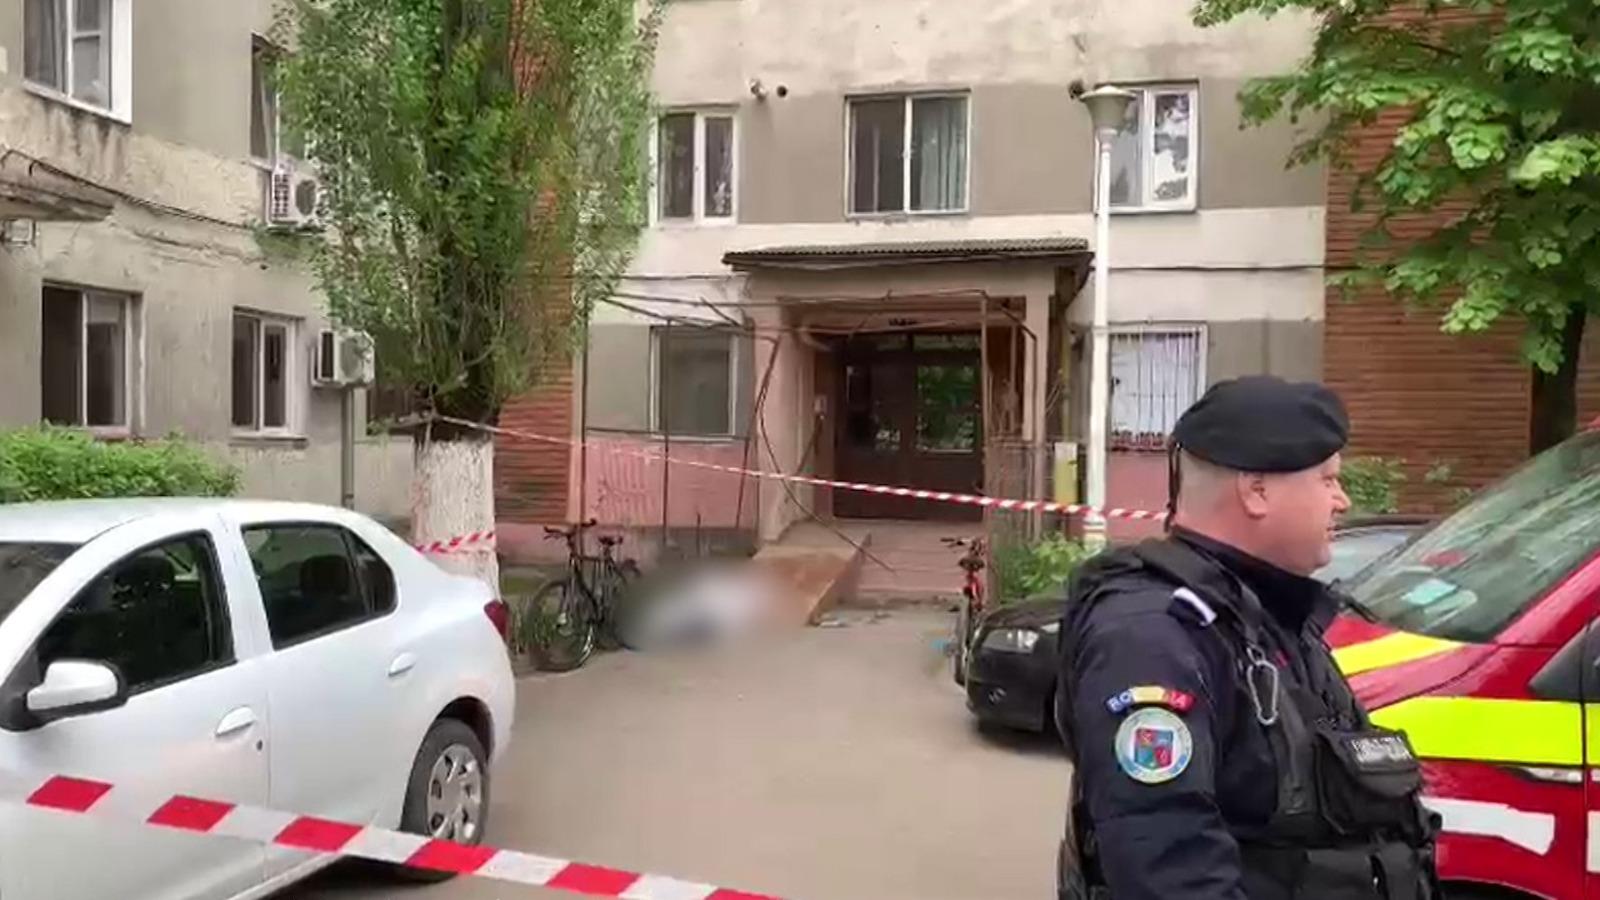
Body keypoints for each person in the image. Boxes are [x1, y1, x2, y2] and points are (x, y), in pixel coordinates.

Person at [1054, 375, 1438, 900]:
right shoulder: (1152, 637)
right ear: (1256, 492)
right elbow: (1170, 871)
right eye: (1327, 479)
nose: (1342, 500)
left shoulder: (1265, 614)